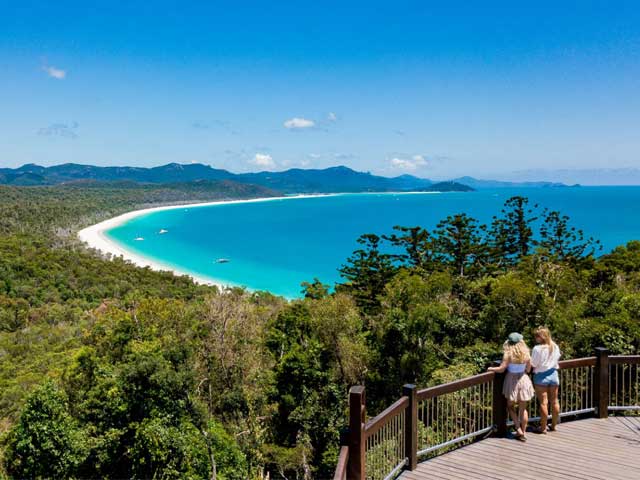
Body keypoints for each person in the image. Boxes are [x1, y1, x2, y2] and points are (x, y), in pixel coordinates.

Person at [488, 332, 534, 441]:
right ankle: (524, 432)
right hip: (523, 379)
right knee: (523, 409)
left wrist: (491, 368)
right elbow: (528, 370)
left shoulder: (508, 354)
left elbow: (501, 369)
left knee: (510, 407)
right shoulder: (526, 354)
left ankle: (518, 429)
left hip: (511, 380)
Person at [531, 326, 561, 433]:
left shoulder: (537, 349)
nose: (535, 338)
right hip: (553, 374)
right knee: (554, 401)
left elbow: (534, 363)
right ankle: (554, 425)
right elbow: (557, 359)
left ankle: (543, 428)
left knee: (543, 403)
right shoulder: (555, 346)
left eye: (537, 336)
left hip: (540, 376)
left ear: (541, 337)